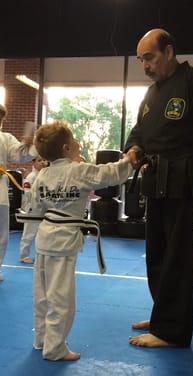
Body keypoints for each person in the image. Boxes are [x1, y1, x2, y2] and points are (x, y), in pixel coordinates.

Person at [124, 29, 193, 348]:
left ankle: (172, 331)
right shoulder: (152, 93)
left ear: (169, 52)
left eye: (149, 57)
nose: (145, 65)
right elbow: (139, 131)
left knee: (177, 258)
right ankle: (162, 315)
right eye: (141, 59)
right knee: (156, 255)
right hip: (155, 182)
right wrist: (132, 148)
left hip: (183, 181)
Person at [23, 120, 133, 361]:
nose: (77, 142)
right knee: (61, 299)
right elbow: (110, 174)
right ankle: (55, 349)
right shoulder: (79, 171)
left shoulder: (41, 175)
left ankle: (41, 340)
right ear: (66, 148)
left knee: (42, 295)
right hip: (63, 243)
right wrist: (130, 161)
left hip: (44, 239)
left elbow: (37, 206)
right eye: (73, 139)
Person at [0, 104, 37, 282]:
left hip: (0, 191)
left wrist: (27, 144)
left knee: (1, 235)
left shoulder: (5, 137)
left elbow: (19, 155)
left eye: (1, 118)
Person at [19, 156, 48, 264]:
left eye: (44, 160)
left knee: (42, 234)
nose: (42, 162)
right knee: (29, 233)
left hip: (43, 208)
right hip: (33, 209)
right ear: (34, 162)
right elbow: (27, 193)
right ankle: (24, 255)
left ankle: (40, 255)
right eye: (39, 160)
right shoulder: (31, 177)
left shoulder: (45, 175)